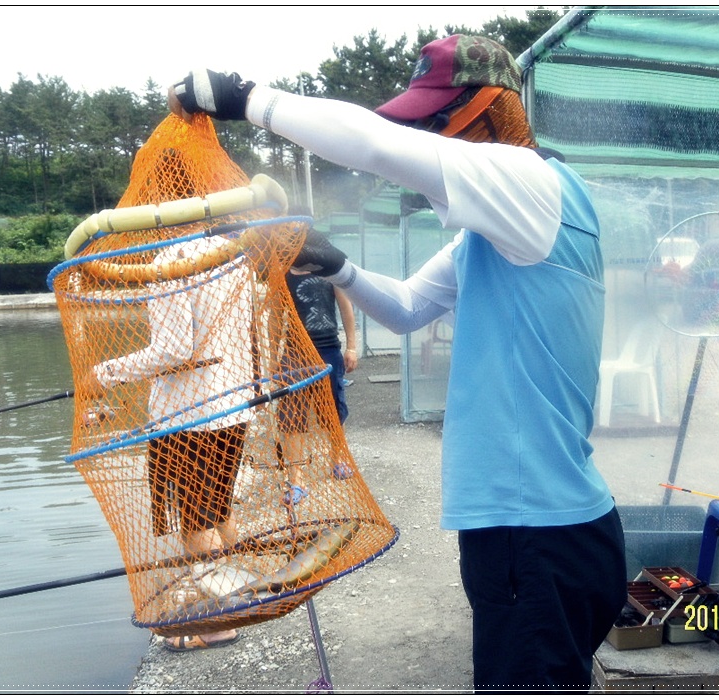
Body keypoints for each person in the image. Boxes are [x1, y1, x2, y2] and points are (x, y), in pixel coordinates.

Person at [168, 34, 626, 690]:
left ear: (490, 109)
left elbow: (375, 145)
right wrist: (338, 267)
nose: (425, 136)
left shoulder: (531, 181)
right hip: (545, 530)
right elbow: (409, 307)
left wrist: (242, 97)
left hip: (534, 532)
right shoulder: (500, 233)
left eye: (434, 120)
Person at [86, 234, 255, 652]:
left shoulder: (169, 262)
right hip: (235, 404)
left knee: (196, 519)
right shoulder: (233, 254)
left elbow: (173, 350)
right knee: (219, 505)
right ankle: (238, 594)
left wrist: (104, 374)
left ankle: (218, 623)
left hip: (188, 416)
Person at [278, 257, 358, 505]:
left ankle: (338, 458)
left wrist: (351, 347)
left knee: (333, 408)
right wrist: (272, 360)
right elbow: (275, 318)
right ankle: (297, 479)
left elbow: (345, 307)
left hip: (328, 350)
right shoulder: (282, 274)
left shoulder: (327, 269)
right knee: (291, 415)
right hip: (294, 353)